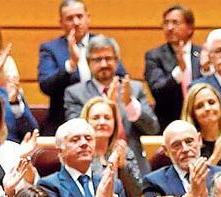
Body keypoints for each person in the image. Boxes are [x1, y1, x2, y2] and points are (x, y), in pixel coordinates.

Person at [63, 34, 159, 181]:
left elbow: (153, 129)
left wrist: (130, 104)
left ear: (117, 60)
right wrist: (108, 104)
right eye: (97, 59)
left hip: (134, 172)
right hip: (94, 170)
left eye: (108, 58)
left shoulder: (134, 88)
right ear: (88, 63)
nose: (103, 64)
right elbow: (77, 131)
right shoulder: (75, 93)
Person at [38, 118, 132, 197]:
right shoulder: (48, 185)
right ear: (60, 151)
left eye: (88, 139)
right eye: (75, 140)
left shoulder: (113, 184)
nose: (84, 143)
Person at [141, 120, 221, 197]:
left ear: (199, 140)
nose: (185, 149)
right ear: (166, 150)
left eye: (189, 141)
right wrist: (191, 195)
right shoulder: (154, 182)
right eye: (176, 145)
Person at [37, 0, 97, 133]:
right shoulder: (50, 49)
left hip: (100, 121)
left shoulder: (102, 44)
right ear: (61, 23)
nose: (76, 22)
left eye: (80, 16)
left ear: (88, 18)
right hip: (64, 124)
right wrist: (71, 65)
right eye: (70, 18)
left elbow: (119, 76)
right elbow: (46, 85)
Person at [143, 4, 202, 128]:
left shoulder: (203, 54)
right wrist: (179, 72)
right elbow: (157, 90)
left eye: (175, 23)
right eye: (166, 23)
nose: (170, 28)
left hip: (202, 121)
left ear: (190, 28)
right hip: (169, 122)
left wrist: (207, 69)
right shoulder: (154, 56)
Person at [78, 96, 144, 197]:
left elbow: (135, 194)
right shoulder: (79, 152)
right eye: (96, 118)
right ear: (86, 121)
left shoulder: (123, 151)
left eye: (107, 118)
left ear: (115, 123)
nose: (102, 122)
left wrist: (123, 167)